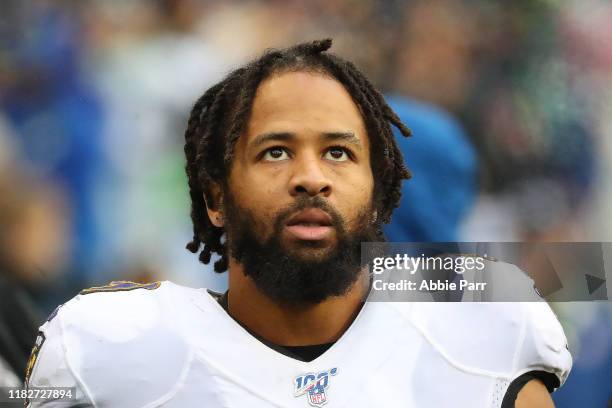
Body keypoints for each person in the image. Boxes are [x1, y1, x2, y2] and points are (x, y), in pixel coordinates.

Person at [25, 39, 570, 407]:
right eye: (276, 152)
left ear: (385, 191)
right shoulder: (98, 345)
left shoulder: (490, 316)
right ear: (214, 194)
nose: (311, 176)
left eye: (338, 152)